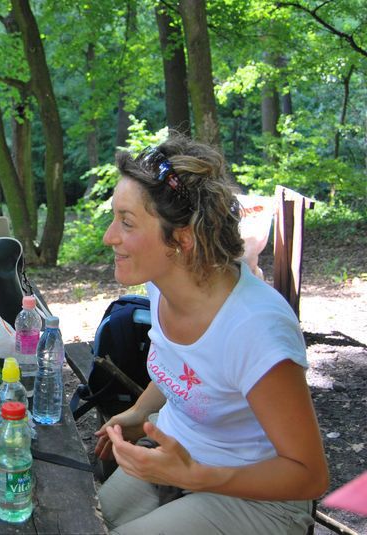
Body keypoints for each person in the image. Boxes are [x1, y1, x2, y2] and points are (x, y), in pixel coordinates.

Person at [94, 136, 328, 534]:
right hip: (178, 454)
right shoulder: (162, 283)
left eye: (127, 222)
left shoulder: (255, 329)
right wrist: (139, 413)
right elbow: (185, 368)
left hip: (260, 498)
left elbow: (310, 475)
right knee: (84, 520)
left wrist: (195, 476)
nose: (109, 237)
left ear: (181, 239)